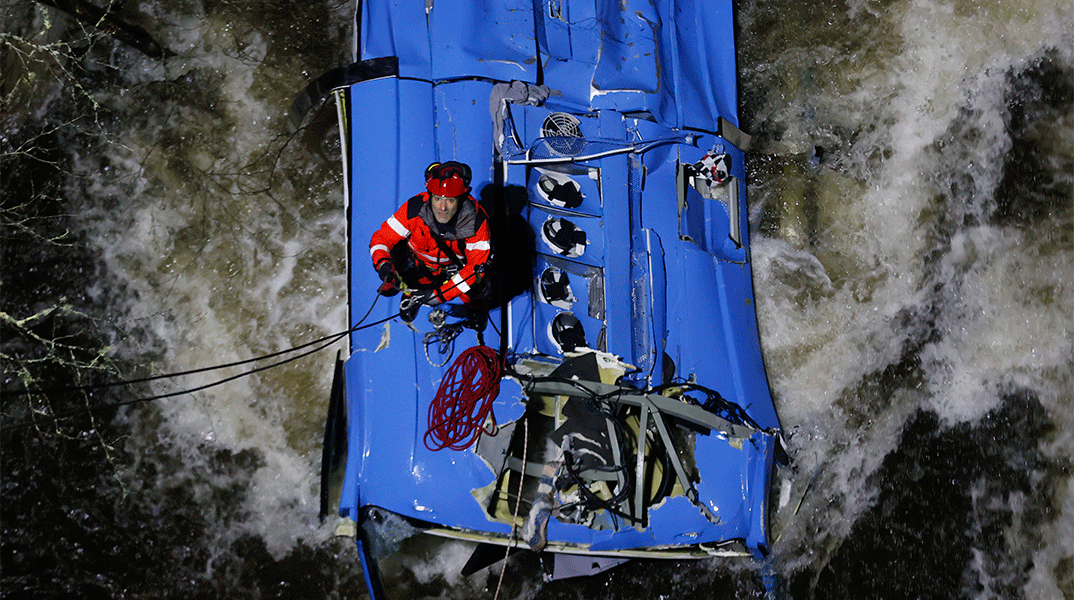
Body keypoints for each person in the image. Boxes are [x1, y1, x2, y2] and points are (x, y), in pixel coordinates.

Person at [370, 161, 492, 322]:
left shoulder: (476, 223)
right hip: (419, 264)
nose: (442, 207)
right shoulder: (413, 209)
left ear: (461, 199)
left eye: (450, 200)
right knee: (402, 270)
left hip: (455, 270)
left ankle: (476, 309)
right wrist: (383, 263)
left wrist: (440, 295)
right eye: (437, 198)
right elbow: (382, 238)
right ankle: (411, 293)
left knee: (477, 288)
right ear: (430, 196)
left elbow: (474, 269)